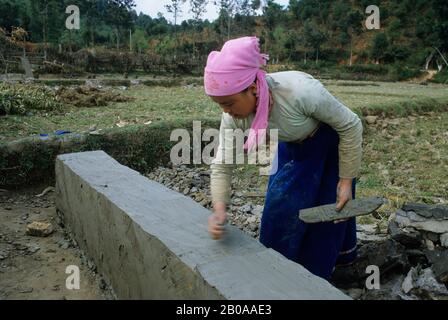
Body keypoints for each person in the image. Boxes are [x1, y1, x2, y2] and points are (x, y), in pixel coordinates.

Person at [204, 36, 363, 280]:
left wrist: (345, 181)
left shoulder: (302, 93)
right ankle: (278, 276)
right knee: (280, 210)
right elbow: (222, 163)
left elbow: (351, 125)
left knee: (330, 212)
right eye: (220, 105)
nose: (226, 111)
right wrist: (219, 208)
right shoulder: (233, 116)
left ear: (253, 89)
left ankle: (319, 278)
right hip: (292, 145)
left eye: (229, 103)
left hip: (329, 144)